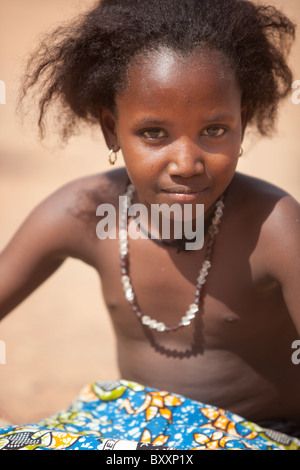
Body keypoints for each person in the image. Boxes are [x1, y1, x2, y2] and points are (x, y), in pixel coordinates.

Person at [0, 0, 299, 451]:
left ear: (245, 118)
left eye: (215, 130)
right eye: (154, 133)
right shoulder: (83, 210)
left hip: (256, 436)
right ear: (110, 129)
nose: (185, 163)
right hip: (121, 434)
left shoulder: (274, 227)